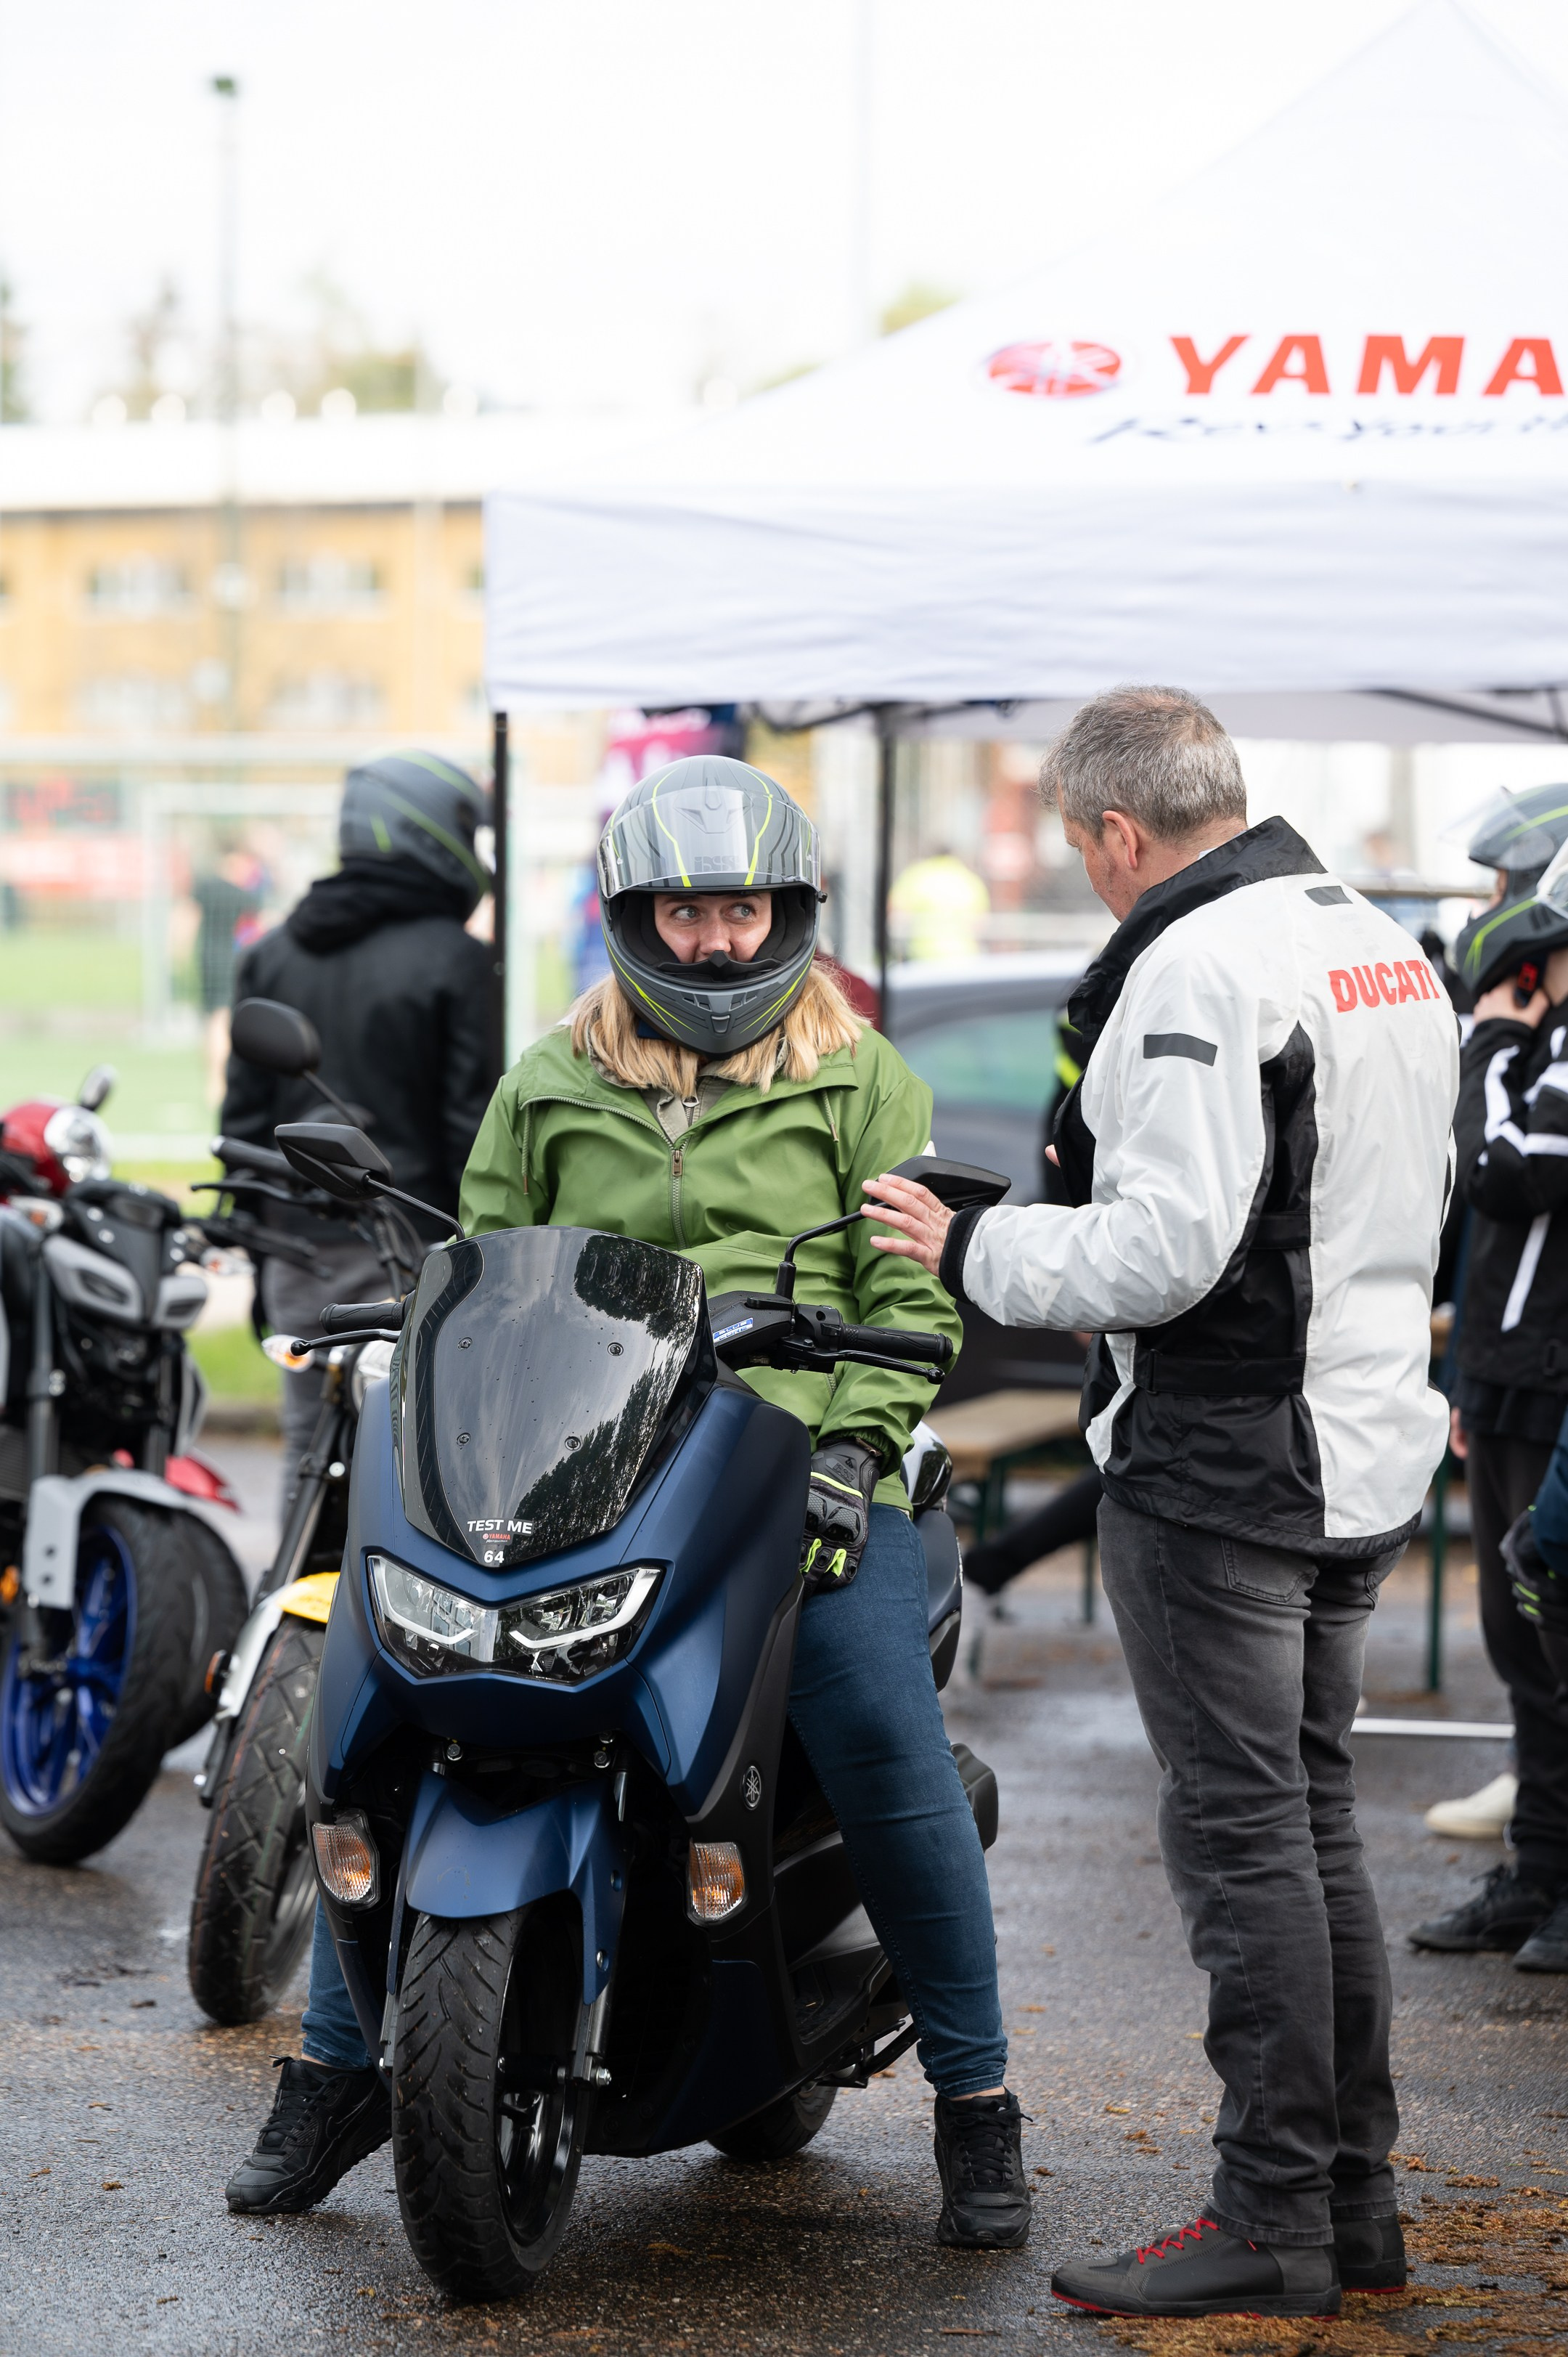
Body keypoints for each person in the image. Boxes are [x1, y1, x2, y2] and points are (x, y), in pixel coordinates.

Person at [224, 754, 1031, 2253]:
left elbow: (906, 1303)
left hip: (796, 1466)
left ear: (787, 913)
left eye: (740, 910)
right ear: (630, 922)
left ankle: (977, 2107)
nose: (716, 942)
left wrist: (855, 1447)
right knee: (394, 1705)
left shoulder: (862, 1081)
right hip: (582, 1467)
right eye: (683, 913)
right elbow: (471, 1276)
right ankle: (340, 2068)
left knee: (874, 1728)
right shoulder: (551, 1083)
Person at [865, 687, 1458, 2322]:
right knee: (1311, 1831)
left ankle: (1272, 2211)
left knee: (1248, 1846)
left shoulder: (1198, 963)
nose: (1089, 875)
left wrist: (969, 1248)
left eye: (1081, 849)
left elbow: (1162, 1247)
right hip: (1362, 1440)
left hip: (1230, 1462)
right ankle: (1351, 2204)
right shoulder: (1379, 939)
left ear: (1120, 832)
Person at [219, 749, 499, 1490]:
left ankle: (283, 1604)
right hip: (410, 1249)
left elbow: (244, 1117)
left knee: (307, 1457)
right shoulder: (458, 961)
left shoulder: (273, 954)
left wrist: (256, 1247)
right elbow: (474, 1131)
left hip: (294, 1250)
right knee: (417, 1462)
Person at [1408, 863, 1568, 1967]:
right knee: (1520, 1647)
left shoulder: (1539, 1050)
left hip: (1559, 1384)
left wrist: (1487, 1046)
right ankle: (1540, 1868)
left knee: (1560, 1638)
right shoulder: (1541, 1043)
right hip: (1509, 1379)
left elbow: (1506, 1171)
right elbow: (1482, 1233)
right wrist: (1468, 1375)